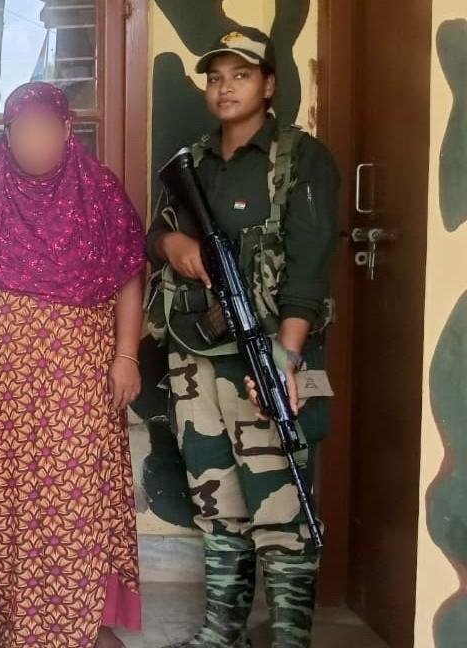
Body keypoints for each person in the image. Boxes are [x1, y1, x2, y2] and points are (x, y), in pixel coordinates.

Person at [144, 28, 340, 648]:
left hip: (269, 353)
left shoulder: (301, 159)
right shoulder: (194, 163)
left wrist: (287, 355)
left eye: (242, 75)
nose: (225, 88)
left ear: (270, 85)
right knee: (215, 497)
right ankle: (219, 633)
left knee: (282, 504)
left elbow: (309, 268)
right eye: (215, 77)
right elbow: (155, 233)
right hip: (195, 354)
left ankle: (289, 638)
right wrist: (173, 244)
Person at [0, 81, 146, 648]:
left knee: (78, 489)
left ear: (68, 129)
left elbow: (129, 272)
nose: (33, 140)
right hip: (0, 375)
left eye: (45, 127)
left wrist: (126, 356)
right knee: (4, 493)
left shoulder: (99, 190)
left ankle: (83, 623)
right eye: (21, 129)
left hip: (81, 375)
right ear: (7, 135)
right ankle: (10, 619)